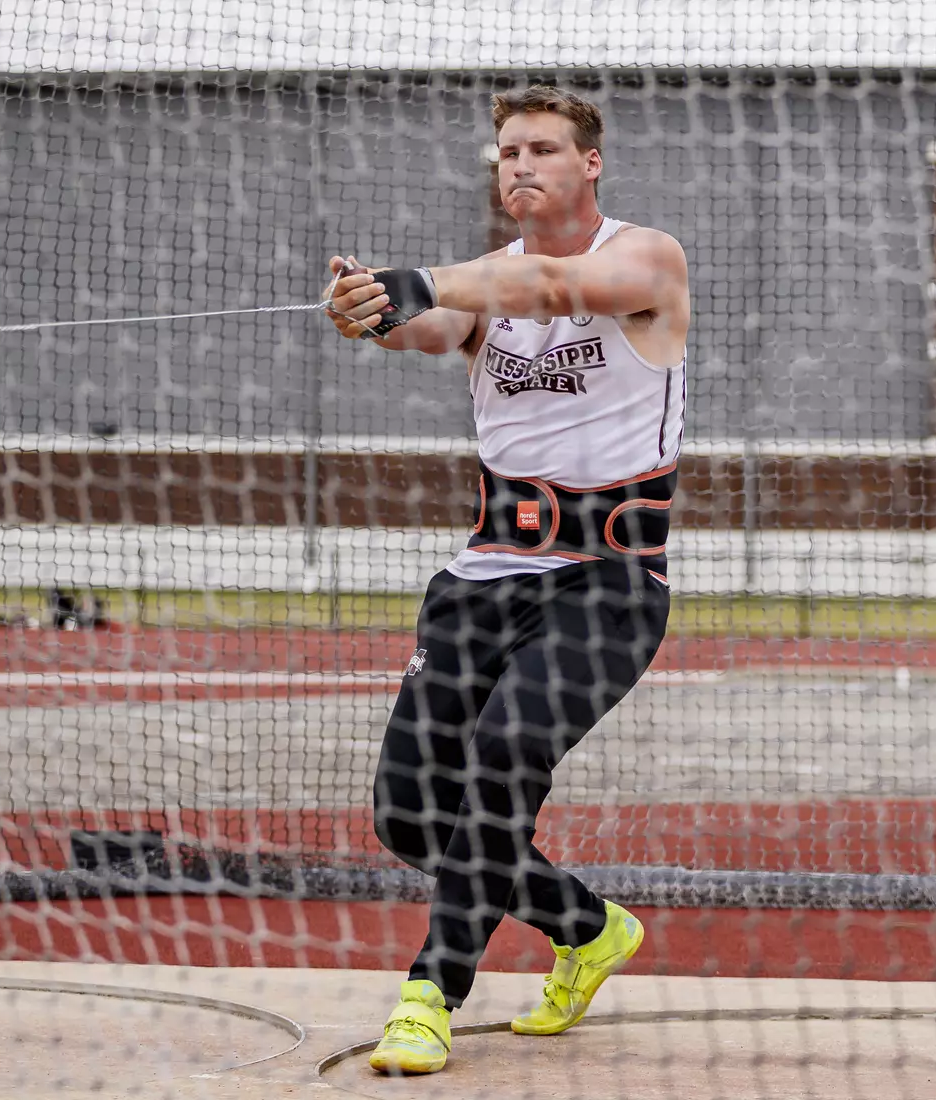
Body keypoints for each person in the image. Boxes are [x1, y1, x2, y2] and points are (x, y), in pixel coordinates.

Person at [324, 85, 690, 1075]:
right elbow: (428, 327)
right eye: (505, 152)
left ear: (589, 164)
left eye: (538, 148)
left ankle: (428, 991)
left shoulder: (646, 257)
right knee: (407, 814)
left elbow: (551, 290)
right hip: (479, 582)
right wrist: (368, 308)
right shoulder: (476, 280)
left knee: (505, 754)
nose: (517, 165)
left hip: (607, 583)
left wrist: (425, 280)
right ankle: (587, 926)